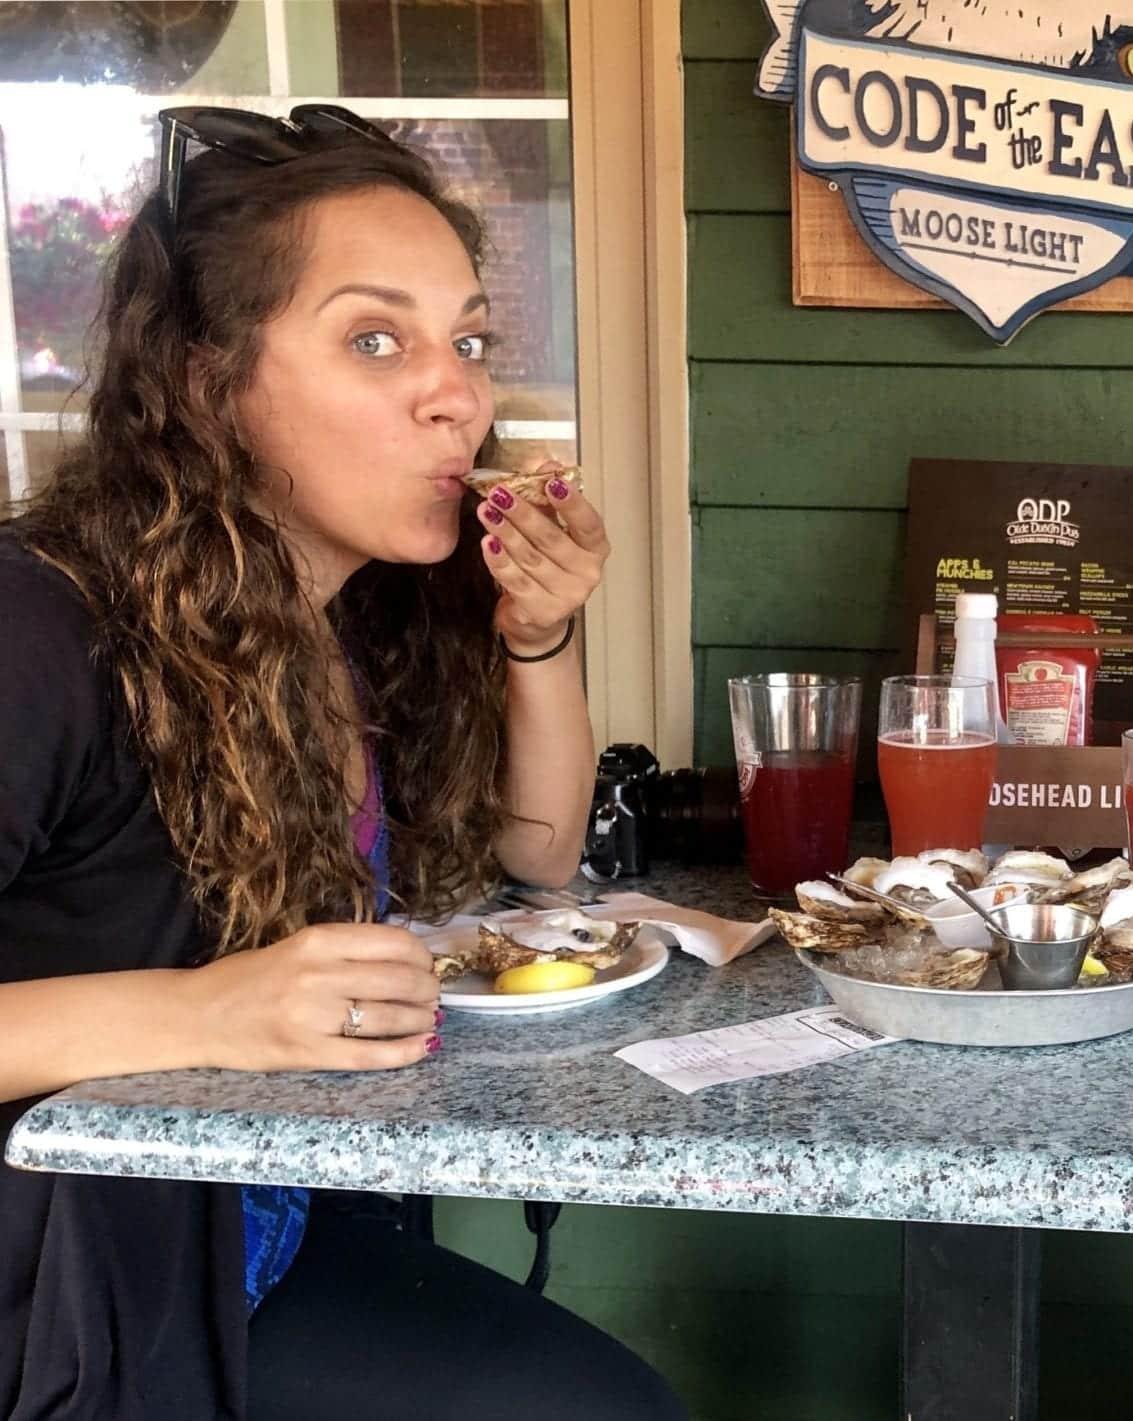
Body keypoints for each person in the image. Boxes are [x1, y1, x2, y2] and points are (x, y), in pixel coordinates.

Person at [0, 105, 685, 1419]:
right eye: (378, 340)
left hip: (279, 1232)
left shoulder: (352, 618)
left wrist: (538, 636)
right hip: (93, 1304)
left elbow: (540, 853)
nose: (460, 392)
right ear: (209, 382)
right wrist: (204, 1012)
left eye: (467, 340)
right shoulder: (40, 625)